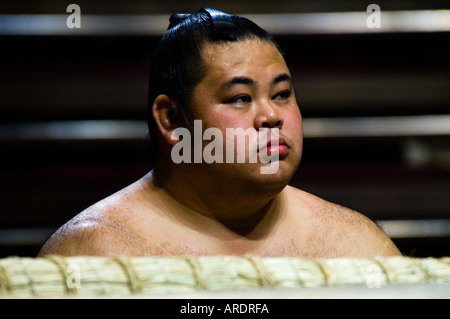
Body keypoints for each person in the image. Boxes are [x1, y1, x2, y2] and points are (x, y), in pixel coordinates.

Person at [38, 8, 401, 258]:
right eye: (241, 98)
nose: (271, 116)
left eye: (282, 94)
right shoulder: (93, 255)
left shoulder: (352, 245)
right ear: (171, 119)